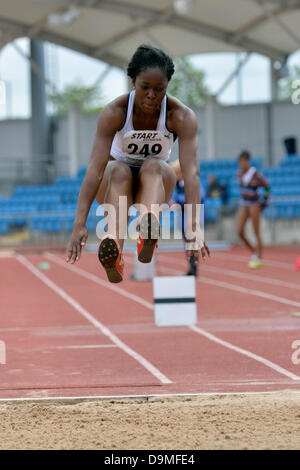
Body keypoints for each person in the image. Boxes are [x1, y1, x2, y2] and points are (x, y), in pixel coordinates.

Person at [66, 44, 210, 282]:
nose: (152, 96)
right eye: (145, 88)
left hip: (154, 186)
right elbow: (94, 170)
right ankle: (114, 246)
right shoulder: (115, 112)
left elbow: (191, 173)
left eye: (159, 89)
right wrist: (79, 223)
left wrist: (194, 226)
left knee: (153, 165)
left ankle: (148, 229)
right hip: (115, 187)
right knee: (119, 169)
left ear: (167, 86)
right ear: (133, 81)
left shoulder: (181, 116)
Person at [170, 159, 206, 276]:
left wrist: (179, 201)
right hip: (184, 217)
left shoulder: (192, 181)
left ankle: (193, 267)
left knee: (192, 242)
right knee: (187, 242)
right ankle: (191, 266)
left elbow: (199, 196)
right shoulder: (179, 184)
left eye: (176, 173)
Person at [236, 150, 271, 269]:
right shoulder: (239, 174)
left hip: (254, 204)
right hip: (243, 203)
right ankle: (254, 252)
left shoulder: (256, 174)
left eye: (243, 162)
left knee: (256, 232)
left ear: (247, 162)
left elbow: (267, 187)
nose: (242, 164)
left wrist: (264, 203)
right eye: (240, 162)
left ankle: (259, 258)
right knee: (239, 231)